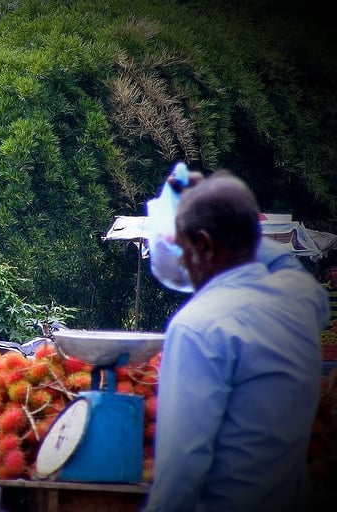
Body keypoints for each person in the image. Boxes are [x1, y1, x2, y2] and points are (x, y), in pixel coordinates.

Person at [142, 171, 329, 512]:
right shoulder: (301, 302)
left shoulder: (198, 327)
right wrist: (224, 216)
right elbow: (286, 263)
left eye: (183, 249)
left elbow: (180, 474)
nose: (181, 262)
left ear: (205, 245)